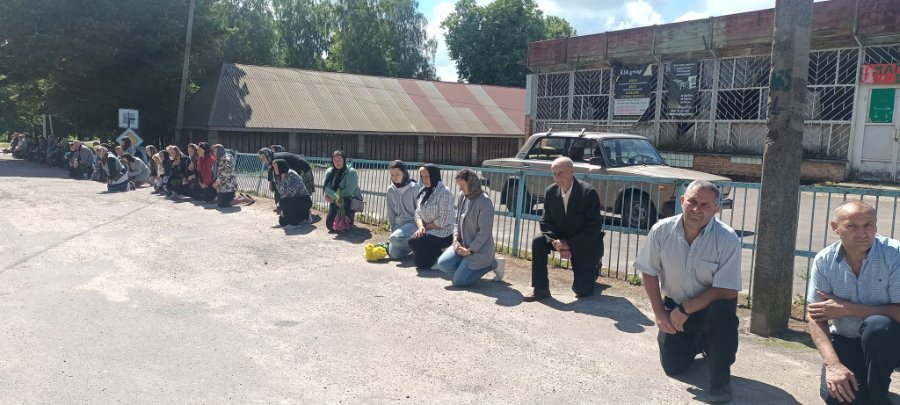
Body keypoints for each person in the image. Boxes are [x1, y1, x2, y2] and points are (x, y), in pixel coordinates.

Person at [634, 179, 741, 404]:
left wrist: (686, 309)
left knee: (722, 313)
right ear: (682, 200)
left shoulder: (727, 238)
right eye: (692, 201)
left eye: (705, 205)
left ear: (716, 209)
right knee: (673, 367)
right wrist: (660, 312)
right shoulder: (661, 231)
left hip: (711, 308)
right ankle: (701, 340)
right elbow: (648, 271)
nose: (696, 209)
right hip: (675, 306)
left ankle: (720, 381)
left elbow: (727, 290)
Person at [806, 200, 900, 405]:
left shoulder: (895, 255)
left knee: (877, 326)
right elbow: (815, 316)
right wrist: (833, 365)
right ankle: (866, 387)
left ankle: (878, 397)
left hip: (891, 341)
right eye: (852, 226)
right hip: (848, 340)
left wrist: (847, 309)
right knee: (838, 396)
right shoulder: (825, 261)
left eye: (868, 225)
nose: (862, 234)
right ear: (835, 228)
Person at [524, 157, 604, 301]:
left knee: (582, 291)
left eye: (560, 173)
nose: (557, 177)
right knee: (538, 241)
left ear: (572, 171)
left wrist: (569, 244)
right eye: (554, 174)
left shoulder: (588, 193)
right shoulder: (550, 192)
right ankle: (541, 289)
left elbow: (593, 229)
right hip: (560, 239)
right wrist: (556, 241)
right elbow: (545, 222)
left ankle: (594, 267)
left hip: (584, 244)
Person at [435, 169, 503, 287]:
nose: (460, 189)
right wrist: (455, 240)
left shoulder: (484, 201)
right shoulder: (462, 196)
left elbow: (484, 232)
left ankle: (493, 264)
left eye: (462, 185)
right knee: (443, 264)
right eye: (459, 186)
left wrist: (469, 250)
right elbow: (456, 221)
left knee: (459, 282)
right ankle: (465, 266)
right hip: (462, 245)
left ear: (471, 183)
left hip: (478, 249)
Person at [407, 164, 455, 270]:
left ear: (434, 175)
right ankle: (439, 255)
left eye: (427, 176)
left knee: (413, 241)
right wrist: (421, 227)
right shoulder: (423, 191)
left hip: (443, 233)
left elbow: (442, 222)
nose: (424, 180)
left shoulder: (444, 192)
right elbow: (417, 213)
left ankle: (443, 254)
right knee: (421, 264)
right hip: (427, 230)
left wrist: (426, 228)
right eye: (422, 177)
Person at [386, 160, 420, 259]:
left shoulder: (414, 188)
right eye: (392, 175)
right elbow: (391, 211)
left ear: (404, 173)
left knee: (394, 238)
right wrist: (393, 229)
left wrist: (421, 227)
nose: (394, 177)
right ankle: (412, 247)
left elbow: (420, 210)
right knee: (394, 255)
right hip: (399, 224)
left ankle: (420, 245)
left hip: (413, 223)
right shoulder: (391, 190)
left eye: (397, 174)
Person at [323, 150, 361, 232]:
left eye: (340, 159)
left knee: (343, 227)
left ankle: (349, 216)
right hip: (335, 199)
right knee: (330, 226)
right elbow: (326, 187)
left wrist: (334, 198)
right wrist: (334, 198)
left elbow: (348, 191)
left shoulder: (351, 172)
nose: (337, 162)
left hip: (350, 199)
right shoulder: (329, 171)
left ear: (344, 160)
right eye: (335, 160)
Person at [272, 159, 312, 228]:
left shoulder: (291, 174)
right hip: (293, 201)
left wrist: (282, 206)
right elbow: (280, 191)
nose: (274, 169)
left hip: (304, 200)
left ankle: (294, 224)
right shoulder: (278, 176)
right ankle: (306, 216)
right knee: (282, 222)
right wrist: (280, 178)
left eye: (275, 167)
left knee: (283, 202)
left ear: (281, 166)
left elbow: (292, 191)